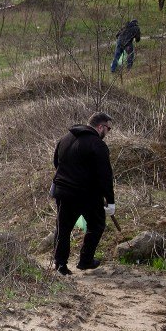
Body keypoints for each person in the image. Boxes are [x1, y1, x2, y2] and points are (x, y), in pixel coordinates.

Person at [51, 112, 115, 275]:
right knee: (96, 225)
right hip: (87, 195)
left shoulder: (65, 138)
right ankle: (85, 261)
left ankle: (60, 265)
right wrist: (111, 201)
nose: (108, 133)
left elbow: (56, 162)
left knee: (63, 228)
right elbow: (105, 175)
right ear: (100, 127)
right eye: (108, 129)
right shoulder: (97, 145)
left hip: (63, 191)